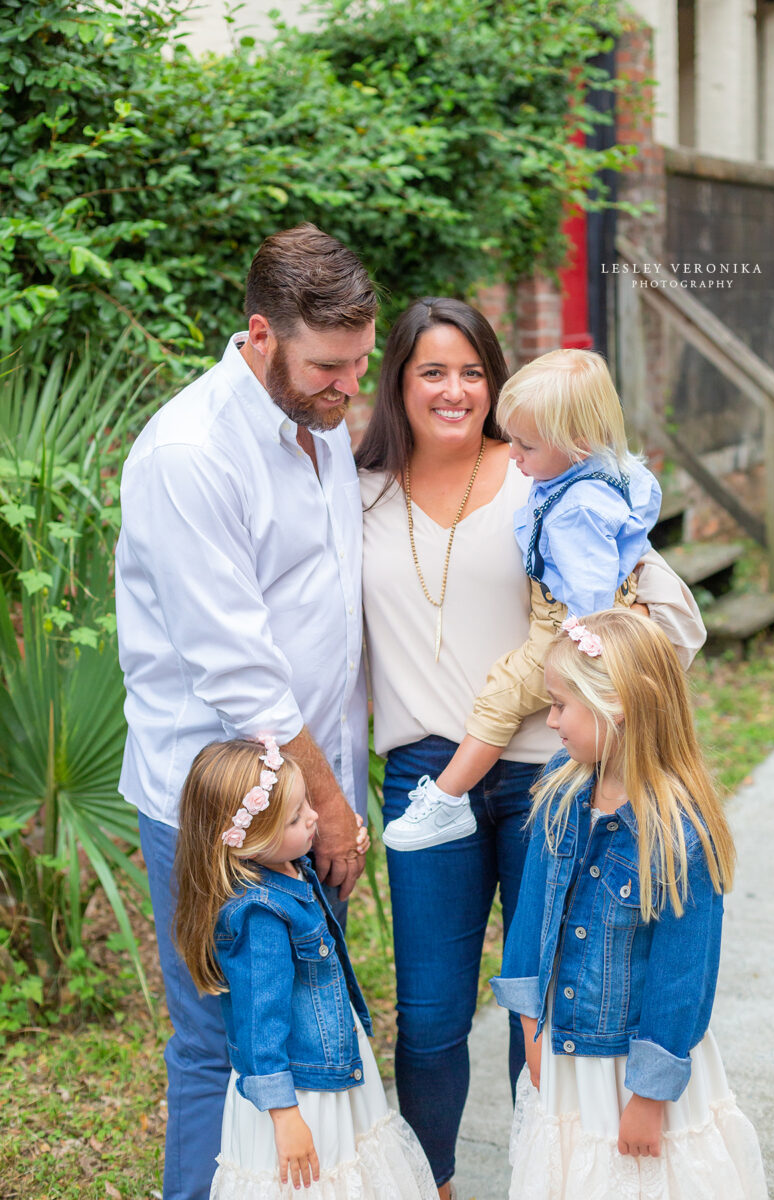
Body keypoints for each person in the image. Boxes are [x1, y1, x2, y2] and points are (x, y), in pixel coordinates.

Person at [355, 298, 705, 1199]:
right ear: (398, 380)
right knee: (431, 1017)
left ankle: (541, 1178)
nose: (455, 390)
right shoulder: (352, 492)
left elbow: (667, 615)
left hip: (548, 771)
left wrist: (599, 642)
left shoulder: (541, 475)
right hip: (426, 776)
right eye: (433, 371)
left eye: (473, 371)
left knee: (539, 1007)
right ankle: (435, 1182)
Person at [115, 223, 377, 1200]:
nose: (349, 386)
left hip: (312, 795)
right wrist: (334, 808)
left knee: (304, 1033)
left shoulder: (321, 418)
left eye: (359, 362)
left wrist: (338, 792)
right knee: (220, 1045)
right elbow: (243, 677)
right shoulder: (188, 454)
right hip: (219, 811)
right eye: (327, 366)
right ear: (260, 334)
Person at [492, 609, 767, 1199]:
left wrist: (649, 1095)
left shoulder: (678, 833)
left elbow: (682, 976)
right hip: (565, 1053)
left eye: (563, 704)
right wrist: (528, 1024)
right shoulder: (559, 791)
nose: (551, 719)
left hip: (635, 1064)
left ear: (616, 706)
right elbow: (531, 916)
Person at [382, 348, 663, 852]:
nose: (514, 456)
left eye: (526, 446)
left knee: (501, 693)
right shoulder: (605, 474)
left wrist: (580, 646)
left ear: (577, 444)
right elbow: (640, 511)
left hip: (568, 624)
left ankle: (446, 799)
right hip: (578, 612)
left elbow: (591, 599)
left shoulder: (577, 511)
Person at [172, 736, 439, 1198]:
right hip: (302, 1089)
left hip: (328, 1063)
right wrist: (286, 1116)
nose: (313, 817)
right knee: (317, 1179)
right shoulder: (261, 916)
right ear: (247, 841)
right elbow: (260, 1023)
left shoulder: (291, 867)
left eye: (305, 805)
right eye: (296, 817)